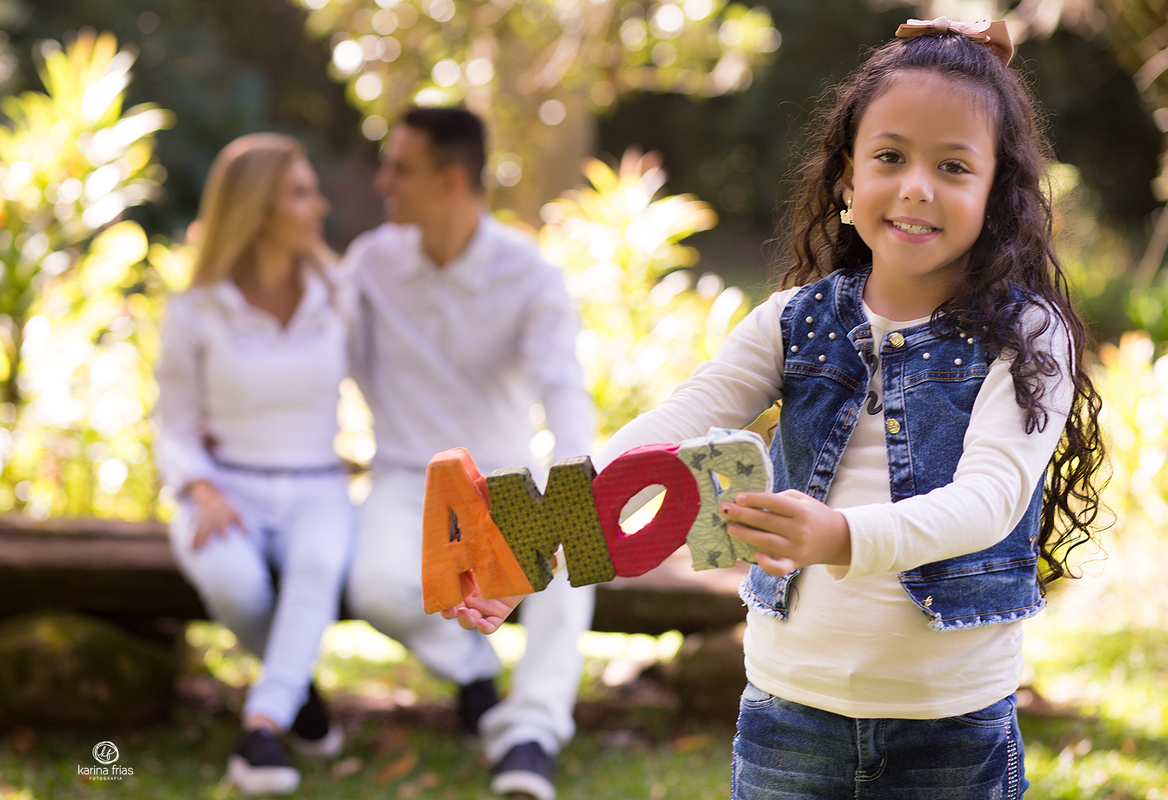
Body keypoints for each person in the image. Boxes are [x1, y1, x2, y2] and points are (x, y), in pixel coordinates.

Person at [445, 17, 1107, 799]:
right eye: (889, 157)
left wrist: (837, 535)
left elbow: (989, 500)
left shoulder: (1027, 335)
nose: (916, 186)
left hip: (951, 724)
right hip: (789, 713)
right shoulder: (796, 319)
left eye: (954, 166)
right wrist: (536, 544)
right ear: (847, 180)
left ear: (997, 194)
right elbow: (679, 421)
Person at [342, 106, 596, 800]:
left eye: (400, 167)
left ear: (451, 180)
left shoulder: (529, 275)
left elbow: (564, 394)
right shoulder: (369, 262)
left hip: (505, 477)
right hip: (404, 477)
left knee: (574, 563)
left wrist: (573, 502)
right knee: (374, 587)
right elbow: (321, 353)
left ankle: (530, 734)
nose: (383, 180)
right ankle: (471, 669)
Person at [155, 133, 353, 795]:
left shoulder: (340, 297)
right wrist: (200, 487)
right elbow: (173, 423)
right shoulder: (195, 311)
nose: (318, 206)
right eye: (300, 193)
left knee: (319, 565)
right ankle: (300, 695)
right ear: (258, 210)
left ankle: (262, 727)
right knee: (235, 584)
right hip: (224, 484)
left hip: (319, 484)